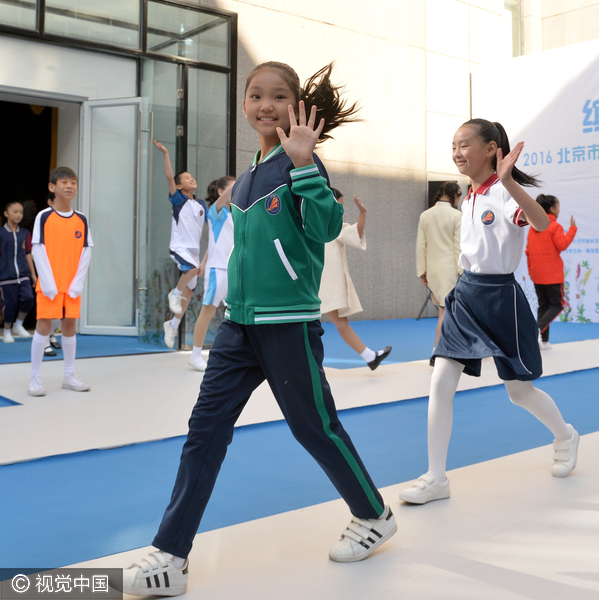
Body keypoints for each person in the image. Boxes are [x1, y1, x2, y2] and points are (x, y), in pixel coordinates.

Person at [118, 62, 396, 598]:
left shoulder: (301, 161)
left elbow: (323, 230)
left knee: (315, 429)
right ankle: (171, 556)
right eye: (255, 95)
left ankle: (375, 514)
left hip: (288, 326)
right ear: (244, 105)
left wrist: (305, 167)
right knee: (204, 433)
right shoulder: (247, 172)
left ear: (296, 107)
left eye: (277, 96)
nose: (264, 105)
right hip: (238, 327)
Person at [399, 118, 579, 505]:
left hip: (501, 298)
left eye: (465, 145)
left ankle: (565, 435)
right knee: (441, 381)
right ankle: (436, 477)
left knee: (519, 392)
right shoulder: (470, 195)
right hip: (465, 294)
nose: (456, 153)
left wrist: (510, 180)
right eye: (453, 145)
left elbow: (541, 221)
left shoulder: (504, 192)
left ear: (492, 149)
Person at [28, 167, 93, 396]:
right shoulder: (44, 216)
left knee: (69, 326)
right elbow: (38, 249)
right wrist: (47, 282)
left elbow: (86, 252)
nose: (69, 186)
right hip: (49, 285)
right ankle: (35, 378)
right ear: (52, 187)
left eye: (73, 182)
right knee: (44, 325)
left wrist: (77, 283)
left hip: (72, 285)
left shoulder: (81, 219)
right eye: (64, 182)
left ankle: (69, 375)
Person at [319, 188, 391, 370]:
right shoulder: (326, 224)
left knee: (334, 323)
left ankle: (370, 357)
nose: (341, 209)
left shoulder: (326, 224)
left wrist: (363, 213)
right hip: (322, 284)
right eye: (339, 205)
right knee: (331, 324)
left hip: (320, 284)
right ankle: (369, 357)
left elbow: (355, 233)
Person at [154, 139, 204, 348]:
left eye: (192, 177)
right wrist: (166, 154)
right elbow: (168, 176)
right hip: (180, 247)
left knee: (190, 292)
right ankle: (174, 292)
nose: (191, 179)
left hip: (194, 250)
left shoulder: (200, 204)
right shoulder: (178, 201)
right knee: (191, 270)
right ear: (179, 185)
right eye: (186, 178)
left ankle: (172, 325)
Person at [185, 176, 235, 370]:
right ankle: (195, 355)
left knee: (234, 314)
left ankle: (232, 353)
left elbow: (215, 242)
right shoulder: (216, 211)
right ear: (221, 192)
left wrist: (203, 262)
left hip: (231, 269)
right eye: (233, 186)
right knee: (208, 311)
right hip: (218, 270)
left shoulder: (231, 215)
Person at [416, 181, 463, 365]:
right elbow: (459, 246)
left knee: (445, 310)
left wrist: (422, 271)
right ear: (455, 195)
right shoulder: (456, 215)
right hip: (451, 269)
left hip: (433, 270)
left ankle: (442, 350)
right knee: (447, 311)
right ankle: (437, 352)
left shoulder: (425, 215)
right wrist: (462, 271)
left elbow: (420, 246)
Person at [526, 193, 577, 350]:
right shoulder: (554, 226)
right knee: (556, 305)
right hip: (552, 275)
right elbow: (562, 245)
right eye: (558, 207)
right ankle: (537, 329)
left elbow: (528, 252)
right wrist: (573, 229)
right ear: (553, 209)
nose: (559, 210)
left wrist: (531, 271)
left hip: (537, 274)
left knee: (543, 305)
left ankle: (544, 340)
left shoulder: (533, 227)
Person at [1, 200, 36, 343]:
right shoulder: (1, 233)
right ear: (6, 214)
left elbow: (28, 253)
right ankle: (7, 331)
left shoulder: (25, 233)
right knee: (9, 304)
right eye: (15, 212)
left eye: (20, 212)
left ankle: (19, 324)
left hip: (23, 275)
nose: (18, 215)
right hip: (5, 276)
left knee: (28, 298)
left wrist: (33, 274)